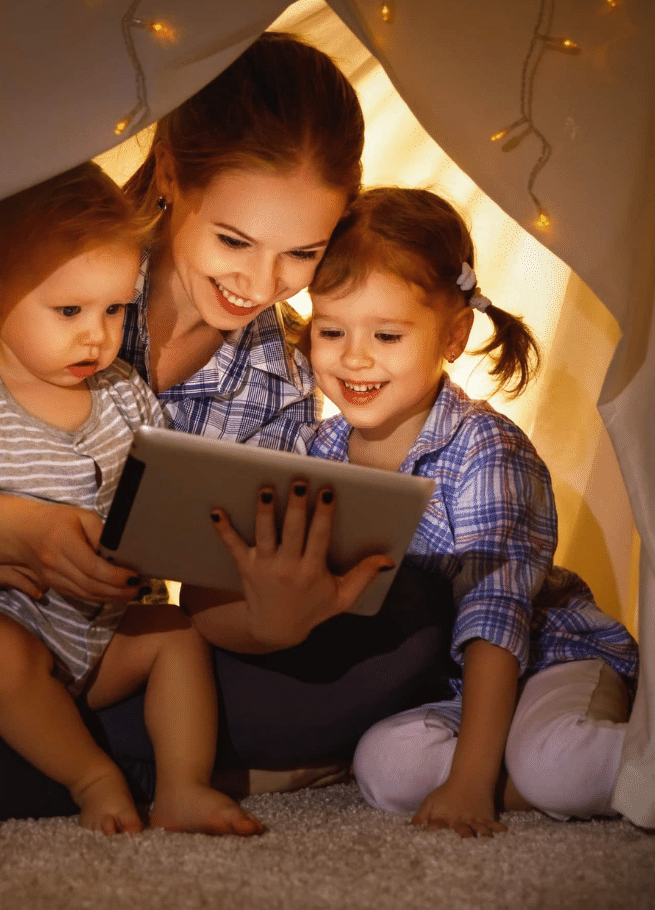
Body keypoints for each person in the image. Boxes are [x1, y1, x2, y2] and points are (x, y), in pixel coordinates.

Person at [0, 33, 453, 828]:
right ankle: (138, 766)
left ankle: (88, 764)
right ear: (170, 176)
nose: (261, 285)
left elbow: (210, 606)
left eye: (301, 254)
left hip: (119, 657)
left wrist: (273, 617)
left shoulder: (281, 372)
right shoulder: (36, 259)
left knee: (415, 622)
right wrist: (26, 535)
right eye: (233, 241)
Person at [211, 187, 639, 839]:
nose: (355, 357)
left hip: (547, 658)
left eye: (386, 334)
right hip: (448, 687)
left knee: (554, 765)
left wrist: (470, 782)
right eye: (332, 331)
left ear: (453, 334)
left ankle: (610, 760)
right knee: (384, 768)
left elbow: (496, 621)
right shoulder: (316, 451)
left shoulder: (485, 448)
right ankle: (505, 766)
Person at [0, 162, 261, 836]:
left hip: (96, 634)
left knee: (178, 638)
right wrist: (2, 563)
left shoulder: (124, 396)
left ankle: (184, 785)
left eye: (115, 309)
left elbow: (159, 505)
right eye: (69, 310)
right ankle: (92, 776)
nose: (96, 334)